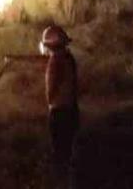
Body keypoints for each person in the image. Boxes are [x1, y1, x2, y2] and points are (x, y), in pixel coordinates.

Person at [7, 24, 80, 179]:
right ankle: (70, 183)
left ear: (50, 45)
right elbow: (42, 60)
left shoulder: (56, 62)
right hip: (72, 111)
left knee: (61, 153)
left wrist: (48, 100)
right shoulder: (66, 57)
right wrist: (16, 59)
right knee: (68, 151)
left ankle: (64, 187)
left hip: (60, 113)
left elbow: (52, 89)